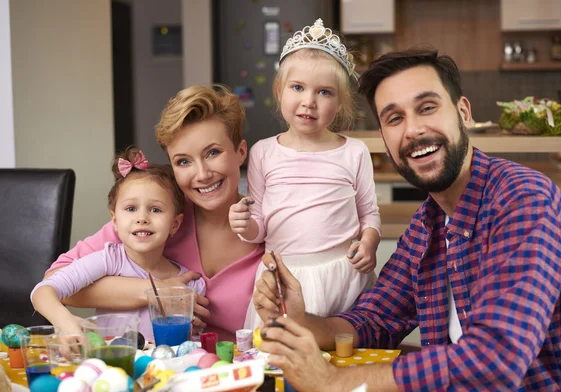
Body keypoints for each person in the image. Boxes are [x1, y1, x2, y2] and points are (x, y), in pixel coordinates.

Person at [252, 48, 561, 392]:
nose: (414, 130)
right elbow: (375, 318)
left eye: (427, 108)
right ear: (385, 141)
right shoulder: (427, 224)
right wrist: (302, 319)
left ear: (463, 113)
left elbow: (494, 360)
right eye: (394, 118)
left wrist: (334, 383)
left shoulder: (523, 199)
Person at [45, 86, 264, 342]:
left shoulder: (268, 224)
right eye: (183, 161)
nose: (202, 174)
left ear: (240, 152)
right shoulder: (158, 214)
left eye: (213, 153)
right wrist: (157, 292)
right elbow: (58, 282)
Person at [229, 19, 381, 329]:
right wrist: (244, 226)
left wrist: (369, 244)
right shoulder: (263, 152)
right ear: (280, 91)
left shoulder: (354, 152)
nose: (308, 102)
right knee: (283, 362)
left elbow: (370, 215)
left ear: (339, 103)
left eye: (324, 92)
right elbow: (259, 227)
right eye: (297, 87)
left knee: (346, 357)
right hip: (284, 278)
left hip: (345, 276)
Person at [31, 147, 206, 339]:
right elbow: (43, 290)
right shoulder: (108, 260)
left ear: (175, 224)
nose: (142, 218)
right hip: (109, 366)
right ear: (114, 220)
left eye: (155, 210)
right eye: (131, 208)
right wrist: (65, 321)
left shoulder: (192, 285)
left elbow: (191, 347)